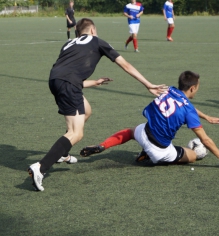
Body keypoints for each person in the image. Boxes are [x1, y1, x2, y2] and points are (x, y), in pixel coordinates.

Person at [28, 18, 167, 192]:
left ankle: (62, 154)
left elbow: (67, 75)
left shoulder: (68, 44)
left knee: (86, 110)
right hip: (69, 84)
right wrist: (148, 84)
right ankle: (40, 168)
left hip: (55, 80)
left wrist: (94, 82)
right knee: (76, 133)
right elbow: (125, 64)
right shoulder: (98, 41)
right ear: (93, 30)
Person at [80, 71, 219, 168]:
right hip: (160, 151)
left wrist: (206, 117)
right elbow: (205, 139)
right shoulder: (188, 109)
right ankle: (150, 155)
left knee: (130, 131)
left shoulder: (170, 90)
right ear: (192, 88)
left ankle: (102, 145)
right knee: (193, 155)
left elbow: (187, 107)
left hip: (144, 133)